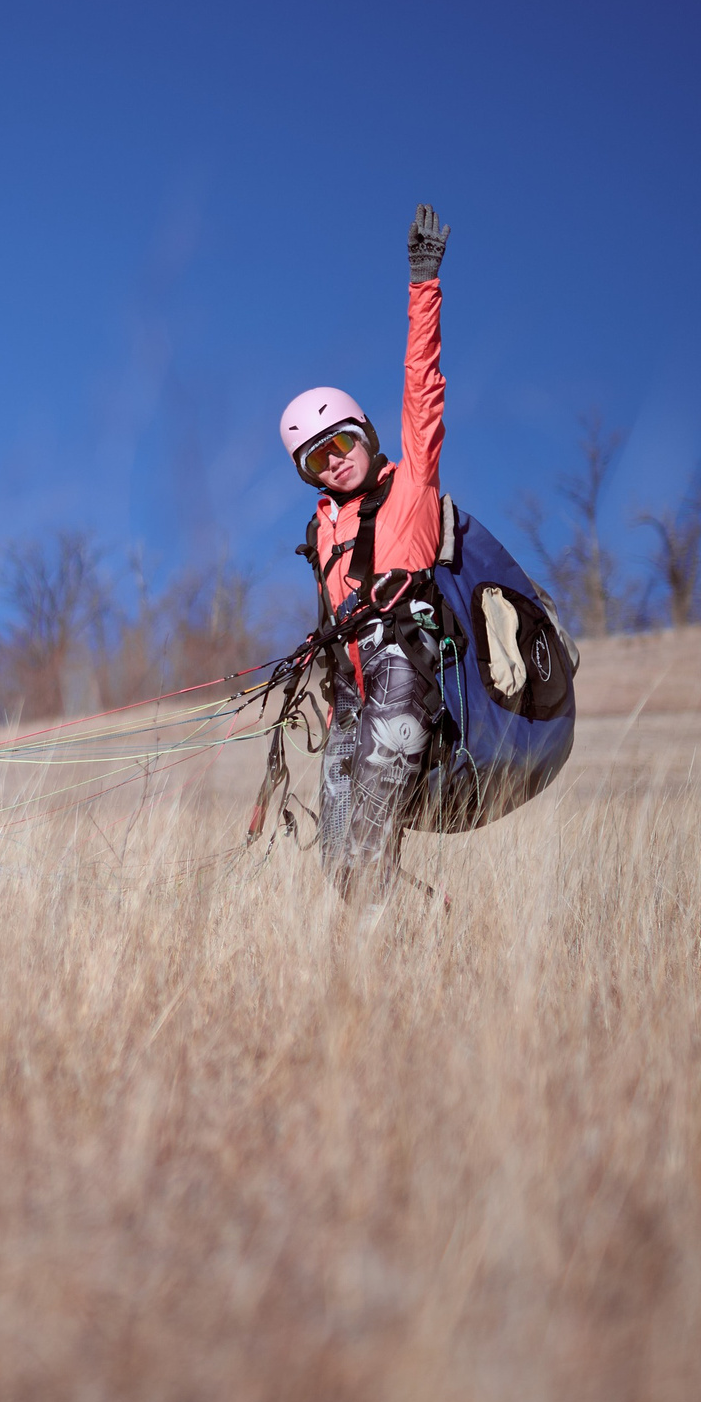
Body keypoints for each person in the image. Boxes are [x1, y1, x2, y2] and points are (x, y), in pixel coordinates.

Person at [278, 204, 451, 908]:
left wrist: (423, 286)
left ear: (366, 435)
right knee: (337, 858)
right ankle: (417, 926)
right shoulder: (322, 528)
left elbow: (423, 388)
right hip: (346, 692)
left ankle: (387, 960)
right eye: (318, 459)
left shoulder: (409, 484)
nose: (336, 462)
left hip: (403, 664)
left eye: (343, 443)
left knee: (373, 839)